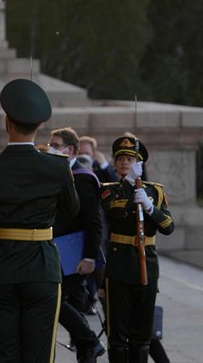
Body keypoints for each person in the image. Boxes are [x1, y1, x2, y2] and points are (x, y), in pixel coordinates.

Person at [0, 78, 80, 363]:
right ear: (39, 125)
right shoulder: (58, 166)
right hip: (43, 264)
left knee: (4, 350)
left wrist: (2, 229)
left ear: (7, 122)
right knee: (39, 353)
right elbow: (71, 210)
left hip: (3, 263)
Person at [99, 136, 174, 363]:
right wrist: (130, 189)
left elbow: (168, 227)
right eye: (120, 158)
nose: (124, 162)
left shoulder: (156, 191)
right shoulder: (109, 190)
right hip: (120, 266)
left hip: (147, 265)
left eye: (130, 159)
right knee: (118, 335)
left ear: (139, 163)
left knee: (142, 335)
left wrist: (151, 208)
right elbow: (114, 212)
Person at [48, 127, 106, 363]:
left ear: (69, 149)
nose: (50, 147)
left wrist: (90, 258)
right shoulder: (60, 173)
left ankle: (90, 341)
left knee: (54, 299)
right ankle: (86, 350)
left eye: (55, 144)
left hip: (75, 253)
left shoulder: (82, 178)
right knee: (70, 300)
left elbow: (94, 222)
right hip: (61, 250)